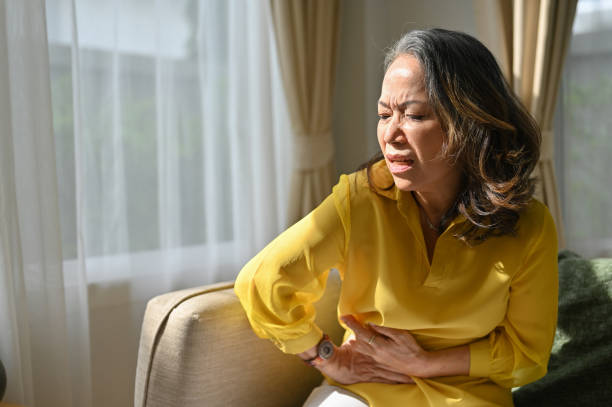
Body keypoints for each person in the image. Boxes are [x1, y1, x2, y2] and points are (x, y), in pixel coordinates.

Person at [234, 28, 558, 407]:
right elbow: (264, 281)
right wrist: (325, 355)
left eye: (414, 115)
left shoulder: (529, 226)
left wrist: (425, 363)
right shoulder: (360, 199)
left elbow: (527, 354)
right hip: (362, 391)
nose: (390, 134)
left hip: (467, 396)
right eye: (384, 114)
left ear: (471, 123)